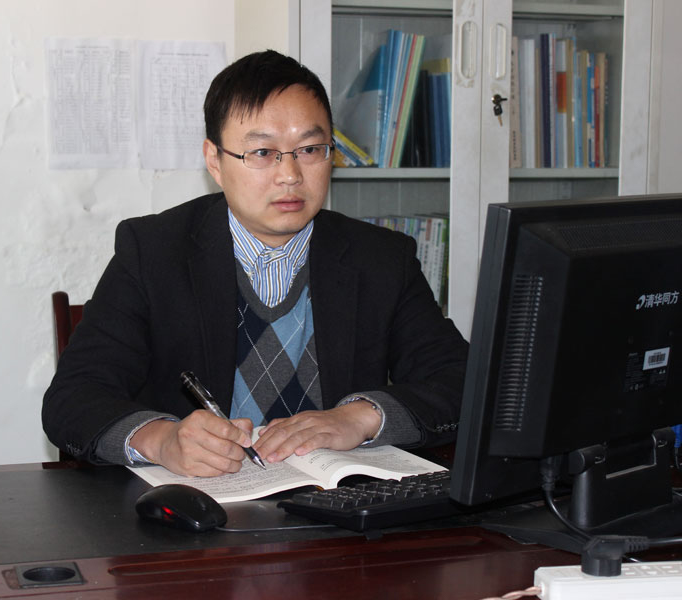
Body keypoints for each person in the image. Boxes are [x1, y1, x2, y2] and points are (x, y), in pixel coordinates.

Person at [42, 50, 468, 477]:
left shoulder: (381, 258)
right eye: (263, 152)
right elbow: (73, 398)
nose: (290, 175)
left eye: (310, 149)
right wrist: (162, 440)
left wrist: (361, 417)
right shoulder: (153, 252)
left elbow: (464, 380)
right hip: (200, 506)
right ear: (215, 161)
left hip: (338, 505)